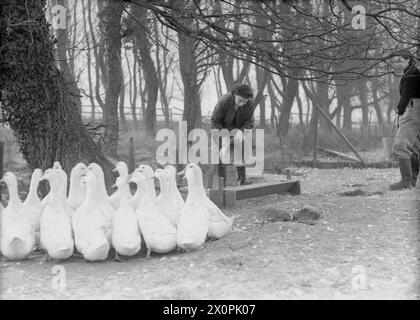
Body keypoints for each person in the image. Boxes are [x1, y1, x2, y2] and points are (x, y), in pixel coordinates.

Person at [211, 84, 255, 185]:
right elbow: (215, 121)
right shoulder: (224, 101)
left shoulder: (250, 104)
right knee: (221, 158)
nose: (242, 103)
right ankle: (222, 186)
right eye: (240, 100)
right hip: (221, 129)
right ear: (235, 94)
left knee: (240, 153)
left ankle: (241, 182)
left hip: (238, 130)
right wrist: (224, 134)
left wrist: (242, 131)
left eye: (245, 101)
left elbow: (250, 121)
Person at [390, 50, 420, 190]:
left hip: (413, 108)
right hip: (415, 108)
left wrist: (399, 110)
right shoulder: (413, 72)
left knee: (401, 145)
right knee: (413, 146)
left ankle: (406, 181)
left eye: (400, 60)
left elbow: (407, 93)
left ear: (408, 60)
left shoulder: (411, 74)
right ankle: (411, 181)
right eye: (396, 61)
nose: (397, 63)